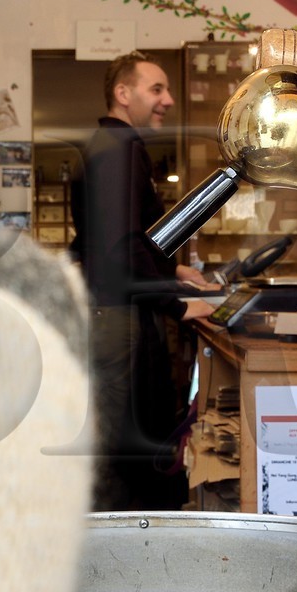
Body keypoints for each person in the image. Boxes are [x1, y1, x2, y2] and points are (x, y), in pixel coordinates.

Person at [72, 51, 217, 510]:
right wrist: (177, 305)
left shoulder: (109, 145)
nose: (168, 100)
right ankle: (118, 555)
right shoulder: (119, 149)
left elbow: (106, 237)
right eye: (156, 89)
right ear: (123, 93)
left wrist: (173, 270)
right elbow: (118, 250)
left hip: (115, 313)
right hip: (119, 319)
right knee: (124, 450)